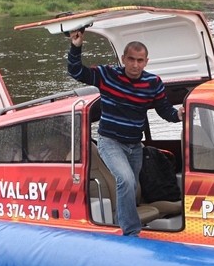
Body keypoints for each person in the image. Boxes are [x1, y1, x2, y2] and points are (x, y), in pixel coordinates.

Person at [67, 29, 183, 236]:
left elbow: (165, 111)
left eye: (140, 60)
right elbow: (76, 72)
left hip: (135, 146)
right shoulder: (108, 75)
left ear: (146, 61)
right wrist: (76, 46)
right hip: (110, 141)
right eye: (131, 59)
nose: (135, 65)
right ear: (123, 58)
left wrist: (180, 115)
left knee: (133, 185)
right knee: (126, 180)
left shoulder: (153, 83)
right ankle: (130, 233)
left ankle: (122, 221)